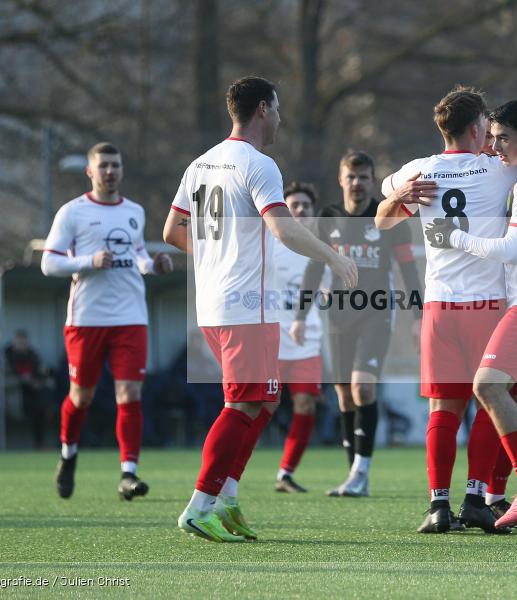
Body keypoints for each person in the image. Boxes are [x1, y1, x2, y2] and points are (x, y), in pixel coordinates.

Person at [377, 86, 517, 533]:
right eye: (488, 130)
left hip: (440, 304)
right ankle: (479, 496)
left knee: (444, 409)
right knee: (493, 401)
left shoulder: (418, 172)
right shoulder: (496, 171)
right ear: (478, 127)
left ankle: (438, 504)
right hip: (490, 305)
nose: (493, 141)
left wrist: (398, 193)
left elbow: (382, 218)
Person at [163, 76, 357, 543]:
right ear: (264, 109)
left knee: (266, 399)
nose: (282, 118)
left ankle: (227, 499)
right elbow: (284, 230)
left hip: (217, 301)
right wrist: (332, 255)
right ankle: (199, 505)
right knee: (243, 402)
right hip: (242, 303)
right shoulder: (258, 163)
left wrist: (215, 256)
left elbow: (172, 231)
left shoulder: (200, 164)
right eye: (279, 108)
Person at [41, 141, 174, 501]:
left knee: (129, 394)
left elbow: (138, 255)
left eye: (116, 165)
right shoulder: (72, 212)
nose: (110, 172)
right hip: (86, 318)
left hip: (131, 316)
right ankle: (68, 454)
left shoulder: (135, 211)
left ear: (122, 170)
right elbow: (49, 262)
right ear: (90, 171)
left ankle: (128, 474)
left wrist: (154, 265)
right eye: (104, 166)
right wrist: (87, 261)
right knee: (80, 397)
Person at [293, 151, 422, 498]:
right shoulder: (328, 218)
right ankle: (354, 475)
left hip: (376, 314)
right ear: (341, 179)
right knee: (344, 397)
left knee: (362, 388)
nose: (357, 183)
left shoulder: (389, 218)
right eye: (351, 176)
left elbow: (409, 270)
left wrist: (418, 316)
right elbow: (314, 269)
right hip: (337, 316)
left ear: (371, 180)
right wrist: (301, 316)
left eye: (364, 177)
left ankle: (360, 473)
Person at [273, 181, 327, 493]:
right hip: (273, 340)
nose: (300, 210)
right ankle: (231, 468)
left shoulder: (320, 249)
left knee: (305, 404)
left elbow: (334, 285)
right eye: (294, 205)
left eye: (305, 205)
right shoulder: (271, 244)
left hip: (308, 340)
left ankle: (286, 473)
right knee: (261, 406)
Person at [4, 329, 46, 449]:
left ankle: (39, 444)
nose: (22, 345)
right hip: (14, 396)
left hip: (32, 394)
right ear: (14, 343)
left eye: (24, 343)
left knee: (41, 408)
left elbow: (42, 375)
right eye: (19, 342)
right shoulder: (6, 357)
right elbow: (3, 381)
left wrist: (36, 382)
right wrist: (21, 380)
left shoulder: (33, 356)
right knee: (36, 406)